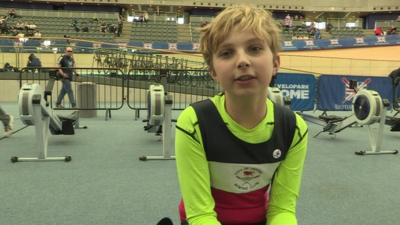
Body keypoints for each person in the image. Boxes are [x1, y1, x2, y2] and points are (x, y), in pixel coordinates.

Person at [175, 5, 308, 225]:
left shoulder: (294, 129)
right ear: (213, 72)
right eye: (227, 53)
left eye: (254, 48)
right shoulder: (192, 123)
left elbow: (282, 209)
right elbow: (200, 214)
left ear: (275, 63)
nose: (242, 61)